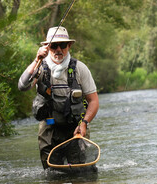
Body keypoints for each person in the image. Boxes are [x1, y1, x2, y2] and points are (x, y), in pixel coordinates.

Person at [18, 26, 99, 169]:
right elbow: (22, 86)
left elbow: (93, 101)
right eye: (54, 45)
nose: (58, 50)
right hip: (49, 130)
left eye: (62, 45)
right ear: (47, 47)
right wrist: (37, 59)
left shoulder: (80, 68)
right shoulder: (40, 67)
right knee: (52, 174)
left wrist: (84, 123)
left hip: (76, 128)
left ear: (69, 45)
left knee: (82, 173)